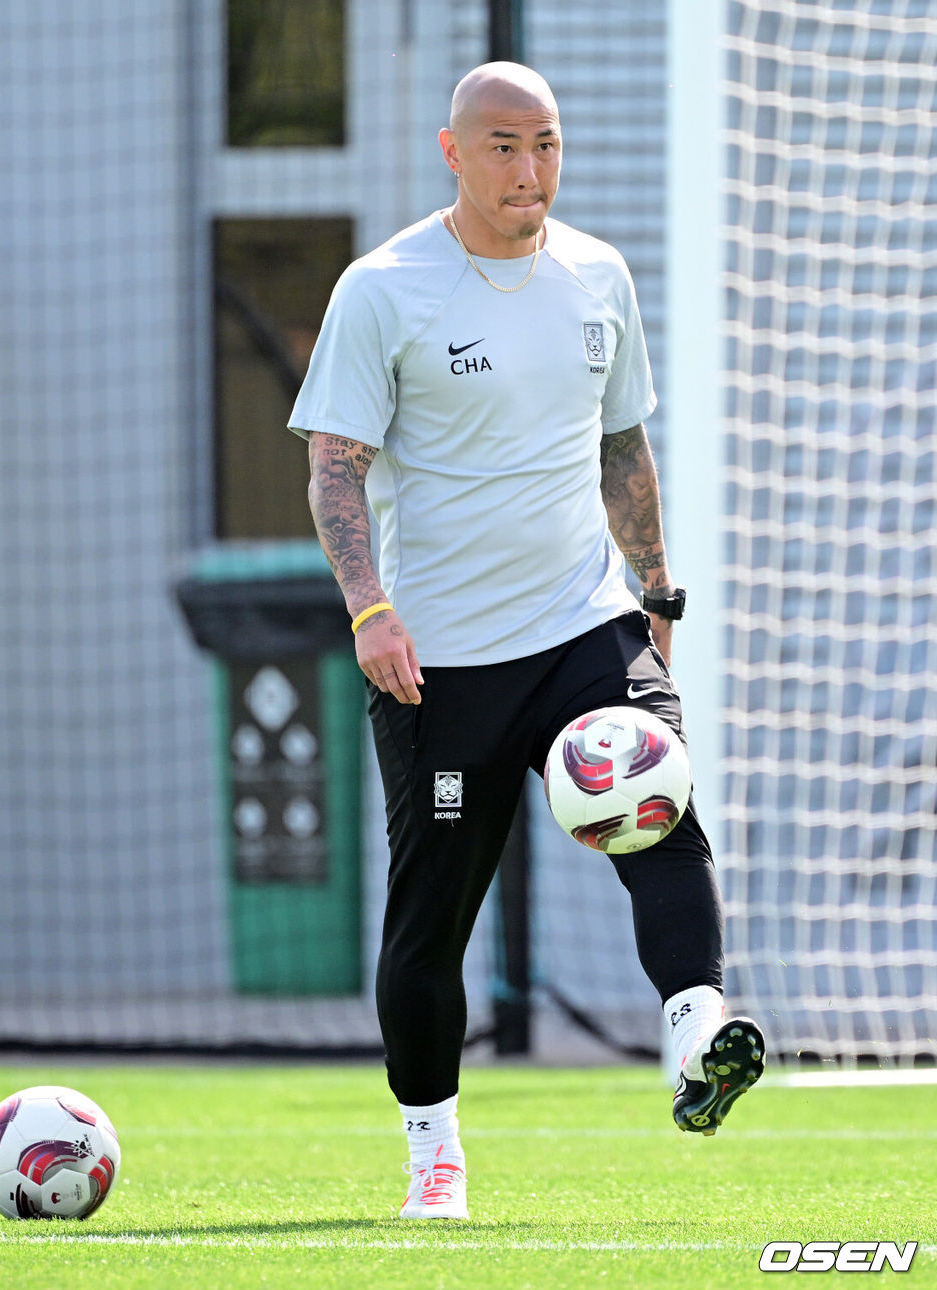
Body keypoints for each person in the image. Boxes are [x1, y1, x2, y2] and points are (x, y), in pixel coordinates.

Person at [288, 61, 764, 1220]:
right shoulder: (384, 289)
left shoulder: (598, 276)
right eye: (502, 146)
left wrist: (656, 588)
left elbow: (621, 446)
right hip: (439, 660)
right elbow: (333, 469)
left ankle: (697, 1031)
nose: (528, 169)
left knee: (660, 798)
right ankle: (433, 1154)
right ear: (453, 154)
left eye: (545, 143)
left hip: (581, 625)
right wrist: (368, 609)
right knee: (431, 920)